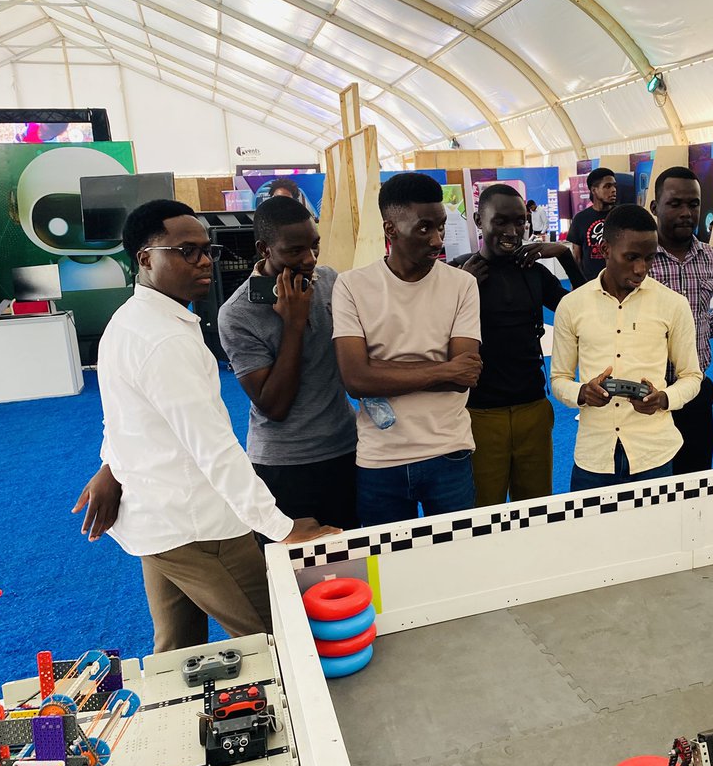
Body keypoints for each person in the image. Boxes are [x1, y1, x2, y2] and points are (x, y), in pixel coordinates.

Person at [73, 199, 336, 653]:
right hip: (201, 527)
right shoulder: (164, 338)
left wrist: (110, 466)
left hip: (157, 522)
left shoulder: (132, 320)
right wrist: (280, 527)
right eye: (186, 251)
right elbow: (212, 447)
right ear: (145, 259)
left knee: (178, 651)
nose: (203, 263)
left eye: (206, 251)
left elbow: (125, 417)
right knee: (281, 640)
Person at [332, 172, 482, 524]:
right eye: (425, 228)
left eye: (441, 227)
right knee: (386, 572)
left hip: (449, 451)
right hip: (380, 457)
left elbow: (465, 375)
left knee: (459, 562)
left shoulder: (462, 285)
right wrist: (442, 368)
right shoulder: (352, 286)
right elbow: (355, 380)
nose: (437, 240)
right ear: (390, 230)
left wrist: (379, 368)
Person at [218, 196, 359, 535]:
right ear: (264, 249)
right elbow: (274, 405)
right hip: (284, 464)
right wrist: (293, 324)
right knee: (293, 573)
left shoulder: (329, 281)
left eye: (314, 246)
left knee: (349, 561)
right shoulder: (237, 315)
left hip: (345, 448)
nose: (309, 260)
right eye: (294, 251)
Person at [552, 204, 702, 491]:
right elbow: (559, 379)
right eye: (631, 257)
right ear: (605, 249)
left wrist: (664, 399)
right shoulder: (572, 305)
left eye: (649, 258)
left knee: (654, 536)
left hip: (653, 454)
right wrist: (583, 392)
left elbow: (692, 377)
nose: (641, 269)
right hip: (594, 456)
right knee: (590, 537)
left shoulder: (673, 304)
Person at [451, 185, 585, 505]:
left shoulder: (534, 273)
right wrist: (461, 288)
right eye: (500, 222)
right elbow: (432, 333)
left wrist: (565, 255)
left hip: (533, 409)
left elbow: (585, 311)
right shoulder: (458, 272)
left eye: (519, 222)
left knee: (536, 508)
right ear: (478, 220)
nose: (512, 232)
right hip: (479, 413)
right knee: (483, 511)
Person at [647, 166, 713, 474]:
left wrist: (706, 328)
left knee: (696, 480)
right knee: (648, 487)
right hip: (645, 395)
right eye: (675, 204)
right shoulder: (639, 259)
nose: (686, 212)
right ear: (655, 207)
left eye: (694, 204)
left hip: (695, 392)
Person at [567, 167, 617, 280]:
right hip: (590, 283)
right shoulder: (580, 219)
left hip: (617, 282)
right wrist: (576, 284)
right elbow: (577, 257)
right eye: (608, 186)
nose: (613, 190)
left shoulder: (621, 215)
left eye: (614, 186)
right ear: (594, 190)